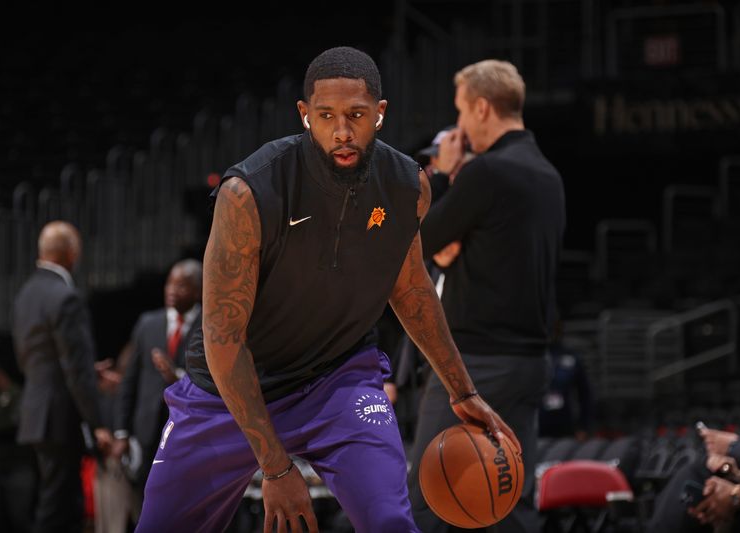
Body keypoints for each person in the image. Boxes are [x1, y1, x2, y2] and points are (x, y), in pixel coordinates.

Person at [135, 46, 518, 533]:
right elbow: (223, 338)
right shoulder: (250, 193)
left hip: (338, 381)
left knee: (389, 522)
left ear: (380, 114)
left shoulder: (406, 187)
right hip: (230, 392)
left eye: (356, 115)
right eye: (326, 116)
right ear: (304, 116)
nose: (342, 131)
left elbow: (412, 289)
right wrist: (275, 466)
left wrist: (463, 390)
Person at [407, 59, 566, 533]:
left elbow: (416, 242)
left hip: (477, 362)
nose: (458, 126)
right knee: (507, 503)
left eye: (460, 113)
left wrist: (443, 175)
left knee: (430, 499)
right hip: (530, 362)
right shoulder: (547, 175)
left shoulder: (487, 173)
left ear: (481, 107)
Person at [12, 220, 113, 532]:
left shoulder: (26, 294)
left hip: (34, 413)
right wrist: (98, 424)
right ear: (72, 253)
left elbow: (32, 359)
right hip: (59, 419)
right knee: (60, 511)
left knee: (54, 504)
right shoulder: (65, 296)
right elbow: (76, 370)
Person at [112, 258, 203, 519]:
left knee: (185, 505)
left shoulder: (210, 326)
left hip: (188, 431)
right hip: (147, 431)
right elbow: (129, 383)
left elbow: (216, 382)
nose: (172, 290)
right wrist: (121, 432)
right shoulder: (147, 323)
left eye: (182, 285)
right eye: (170, 283)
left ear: (197, 291)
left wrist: (178, 376)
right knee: (147, 504)